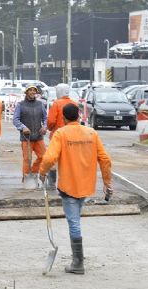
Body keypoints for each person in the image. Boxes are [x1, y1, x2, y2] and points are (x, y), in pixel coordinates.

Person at [38, 103, 113, 275]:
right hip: (86, 185)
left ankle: (78, 263)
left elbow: (49, 157)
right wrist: (107, 182)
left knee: (74, 222)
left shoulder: (61, 133)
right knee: (76, 218)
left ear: (63, 118)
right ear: (79, 116)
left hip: (69, 185)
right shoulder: (91, 133)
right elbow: (105, 159)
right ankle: (77, 260)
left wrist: (42, 173)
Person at [12, 85, 47, 189]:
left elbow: (45, 118)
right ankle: (26, 179)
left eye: (34, 91)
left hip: (38, 136)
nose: (32, 92)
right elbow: (15, 120)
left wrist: (44, 127)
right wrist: (23, 127)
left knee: (43, 157)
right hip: (26, 137)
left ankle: (34, 172)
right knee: (27, 159)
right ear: (26, 92)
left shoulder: (40, 104)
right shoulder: (20, 105)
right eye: (30, 90)